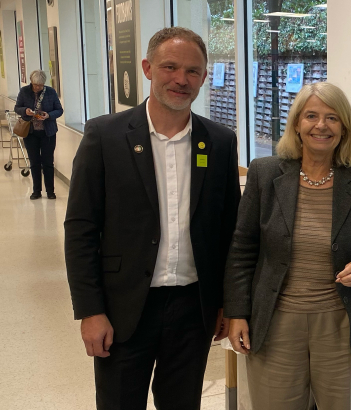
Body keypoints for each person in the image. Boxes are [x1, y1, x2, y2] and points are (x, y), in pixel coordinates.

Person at [64, 27, 241, 410]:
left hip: (193, 309)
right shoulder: (104, 136)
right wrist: (90, 310)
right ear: (147, 68)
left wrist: (226, 303)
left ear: (204, 77)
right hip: (123, 307)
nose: (181, 79)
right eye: (170, 67)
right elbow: (80, 229)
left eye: (193, 71)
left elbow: (230, 230)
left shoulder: (221, 141)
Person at [224, 82, 351, 410]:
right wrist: (236, 313)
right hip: (276, 322)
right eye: (311, 116)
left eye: (332, 117)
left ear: (344, 128)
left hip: (341, 323)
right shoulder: (265, 173)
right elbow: (242, 247)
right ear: (296, 125)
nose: (321, 125)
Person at [15, 70, 63, 199]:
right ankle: (36, 191)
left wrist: (48, 115)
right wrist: (25, 111)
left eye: (40, 85)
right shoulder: (24, 91)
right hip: (30, 132)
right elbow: (17, 107)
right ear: (31, 82)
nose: (38, 87)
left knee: (48, 162)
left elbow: (59, 110)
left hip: (48, 132)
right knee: (34, 162)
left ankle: (50, 191)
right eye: (36, 85)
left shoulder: (51, 92)